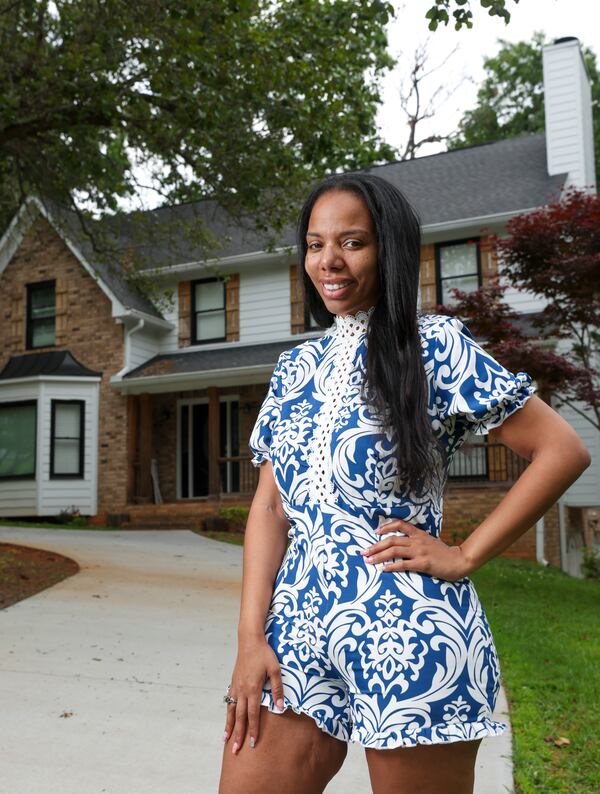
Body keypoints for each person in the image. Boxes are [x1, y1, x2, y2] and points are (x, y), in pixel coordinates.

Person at [217, 173, 591, 794]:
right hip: (294, 636)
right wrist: (250, 637)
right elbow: (270, 507)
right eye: (315, 244)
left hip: (411, 634)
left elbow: (561, 450)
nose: (329, 261)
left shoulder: (434, 344)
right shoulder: (294, 369)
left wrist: (464, 553)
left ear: (388, 250)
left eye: (352, 242)